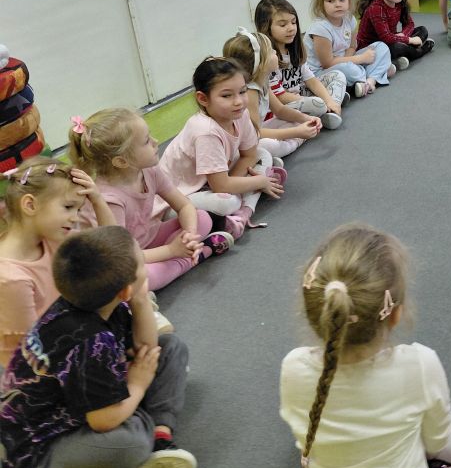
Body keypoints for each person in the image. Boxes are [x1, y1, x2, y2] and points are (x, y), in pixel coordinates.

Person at [279, 223, 451, 468]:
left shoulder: (293, 367)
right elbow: (436, 444)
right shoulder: (419, 364)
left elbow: (303, 439)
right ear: (395, 315)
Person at [0, 227, 196, 468]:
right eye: (142, 263)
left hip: (84, 403)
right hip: (37, 448)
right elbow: (102, 421)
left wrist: (140, 300)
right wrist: (138, 385)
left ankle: (160, 433)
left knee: (169, 347)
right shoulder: (89, 341)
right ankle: (124, 459)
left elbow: (145, 348)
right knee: (130, 443)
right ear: (124, 291)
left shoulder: (95, 304)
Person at [70, 108, 233, 296]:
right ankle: (198, 255)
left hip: (146, 239)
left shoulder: (149, 170)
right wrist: (172, 250)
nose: (156, 142)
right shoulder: (109, 199)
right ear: (122, 161)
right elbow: (122, 255)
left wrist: (189, 235)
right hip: (118, 258)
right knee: (140, 279)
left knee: (202, 218)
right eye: (147, 141)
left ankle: (186, 254)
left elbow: (184, 206)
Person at [0, 158, 112, 367]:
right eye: (68, 207)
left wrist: (98, 200)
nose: (75, 218)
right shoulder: (11, 278)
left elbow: (112, 247)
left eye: (78, 210)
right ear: (30, 205)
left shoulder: (52, 238)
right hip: (42, 364)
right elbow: (30, 356)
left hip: (69, 333)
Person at [158, 57, 284, 241]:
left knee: (262, 154)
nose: (239, 101)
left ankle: (243, 215)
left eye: (242, 91)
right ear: (203, 99)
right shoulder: (205, 131)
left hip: (213, 181)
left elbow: (250, 154)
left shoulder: (240, 113)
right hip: (179, 199)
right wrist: (259, 181)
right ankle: (243, 201)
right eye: (226, 96)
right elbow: (221, 186)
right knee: (228, 202)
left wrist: (236, 182)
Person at [223, 28, 321, 161]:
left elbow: (280, 110)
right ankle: (294, 142)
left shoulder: (263, 81)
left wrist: (306, 119)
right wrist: (297, 132)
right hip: (243, 143)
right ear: (260, 63)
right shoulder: (250, 92)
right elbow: (255, 133)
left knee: (294, 119)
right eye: (271, 51)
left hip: (258, 130)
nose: (275, 52)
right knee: (269, 145)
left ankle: (270, 157)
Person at [255, 0, 345, 129]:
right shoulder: (269, 59)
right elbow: (281, 97)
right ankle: (329, 106)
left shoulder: (294, 51)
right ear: (266, 27)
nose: (291, 28)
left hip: (302, 95)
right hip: (284, 106)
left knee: (338, 75)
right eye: (283, 25)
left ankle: (332, 108)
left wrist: (329, 101)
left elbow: (312, 81)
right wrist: (319, 101)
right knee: (318, 103)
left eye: (293, 22)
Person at [305, 0, 396, 98]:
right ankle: (378, 73)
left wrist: (353, 60)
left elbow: (352, 47)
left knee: (381, 47)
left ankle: (369, 81)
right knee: (347, 69)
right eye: (330, 1)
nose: (338, 4)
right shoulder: (320, 28)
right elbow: (328, 63)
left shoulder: (349, 19)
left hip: (345, 60)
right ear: (321, 4)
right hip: (322, 72)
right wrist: (360, 59)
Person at [356, 0, 434, 67]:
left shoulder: (399, 0)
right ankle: (420, 51)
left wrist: (403, 35)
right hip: (372, 48)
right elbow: (386, 37)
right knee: (397, 47)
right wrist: (410, 40)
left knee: (422, 30)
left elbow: (409, 23)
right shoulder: (376, 8)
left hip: (391, 39)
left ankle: (406, 53)